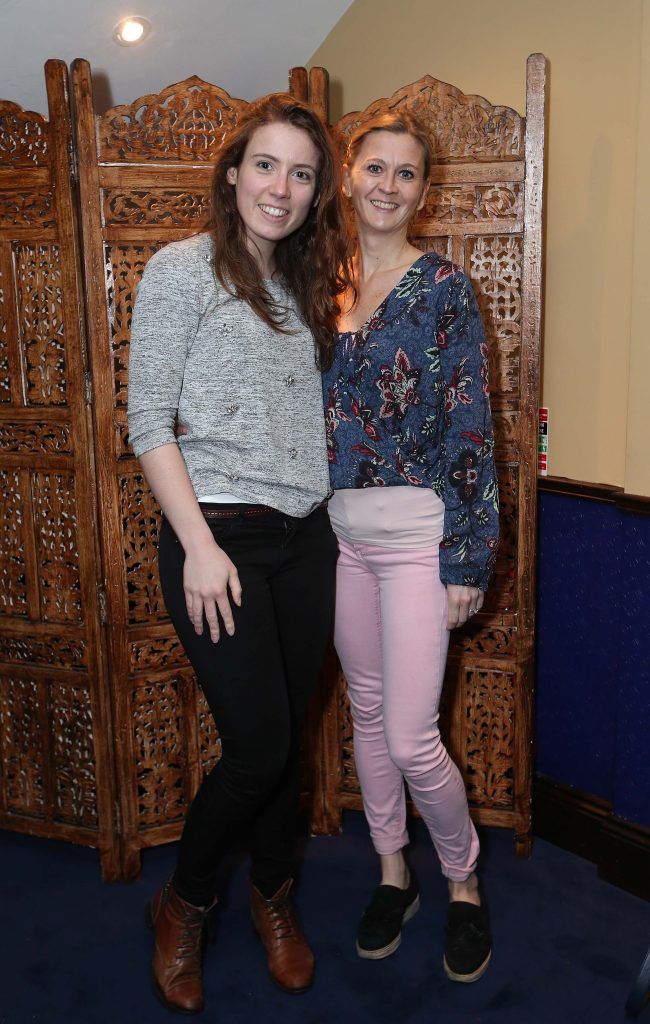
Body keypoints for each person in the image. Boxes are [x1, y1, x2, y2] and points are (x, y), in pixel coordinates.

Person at [127, 93, 350, 1014]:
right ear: (232, 172)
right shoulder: (182, 270)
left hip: (310, 539)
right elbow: (147, 422)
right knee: (256, 748)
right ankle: (184, 903)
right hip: (218, 537)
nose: (282, 187)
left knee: (287, 745)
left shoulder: (308, 285)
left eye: (301, 174)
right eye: (267, 165)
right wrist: (198, 546)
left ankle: (273, 897)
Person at [322, 110, 499, 983]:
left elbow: (471, 426)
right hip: (341, 536)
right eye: (375, 167)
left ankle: (463, 878)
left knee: (407, 736)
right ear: (348, 175)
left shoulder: (445, 290)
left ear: (423, 192)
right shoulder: (323, 283)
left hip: (421, 539)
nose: (388, 185)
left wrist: (468, 559)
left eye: (407, 173)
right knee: (364, 710)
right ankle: (394, 871)